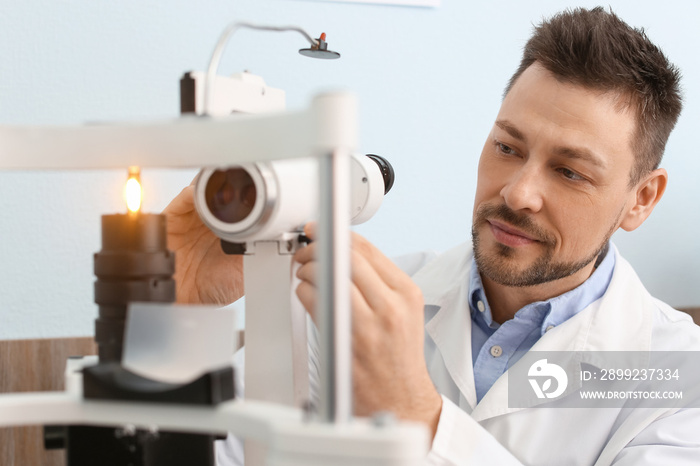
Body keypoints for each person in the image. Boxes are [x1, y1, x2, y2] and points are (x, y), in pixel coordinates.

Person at [163, 7, 700, 465]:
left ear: (641, 199)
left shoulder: (679, 378)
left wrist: (421, 417)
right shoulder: (348, 304)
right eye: (508, 148)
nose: (517, 193)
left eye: (570, 172)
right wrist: (165, 308)